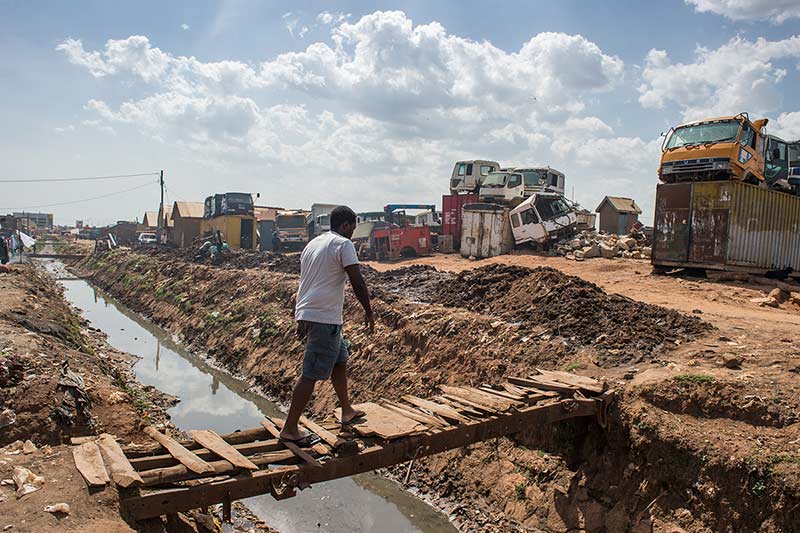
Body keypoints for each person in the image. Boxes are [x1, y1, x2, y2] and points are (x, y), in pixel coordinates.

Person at [279, 206, 375, 443]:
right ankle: (290, 428)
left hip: (312, 313)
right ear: (346, 225)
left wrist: (301, 316)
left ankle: (347, 411)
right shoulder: (344, 245)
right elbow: (358, 282)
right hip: (324, 318)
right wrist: (369, 312)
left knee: (340, 360)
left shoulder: (313, 244)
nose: (353, 232)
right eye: (352, 227)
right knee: (310, 374)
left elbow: (307, 281)